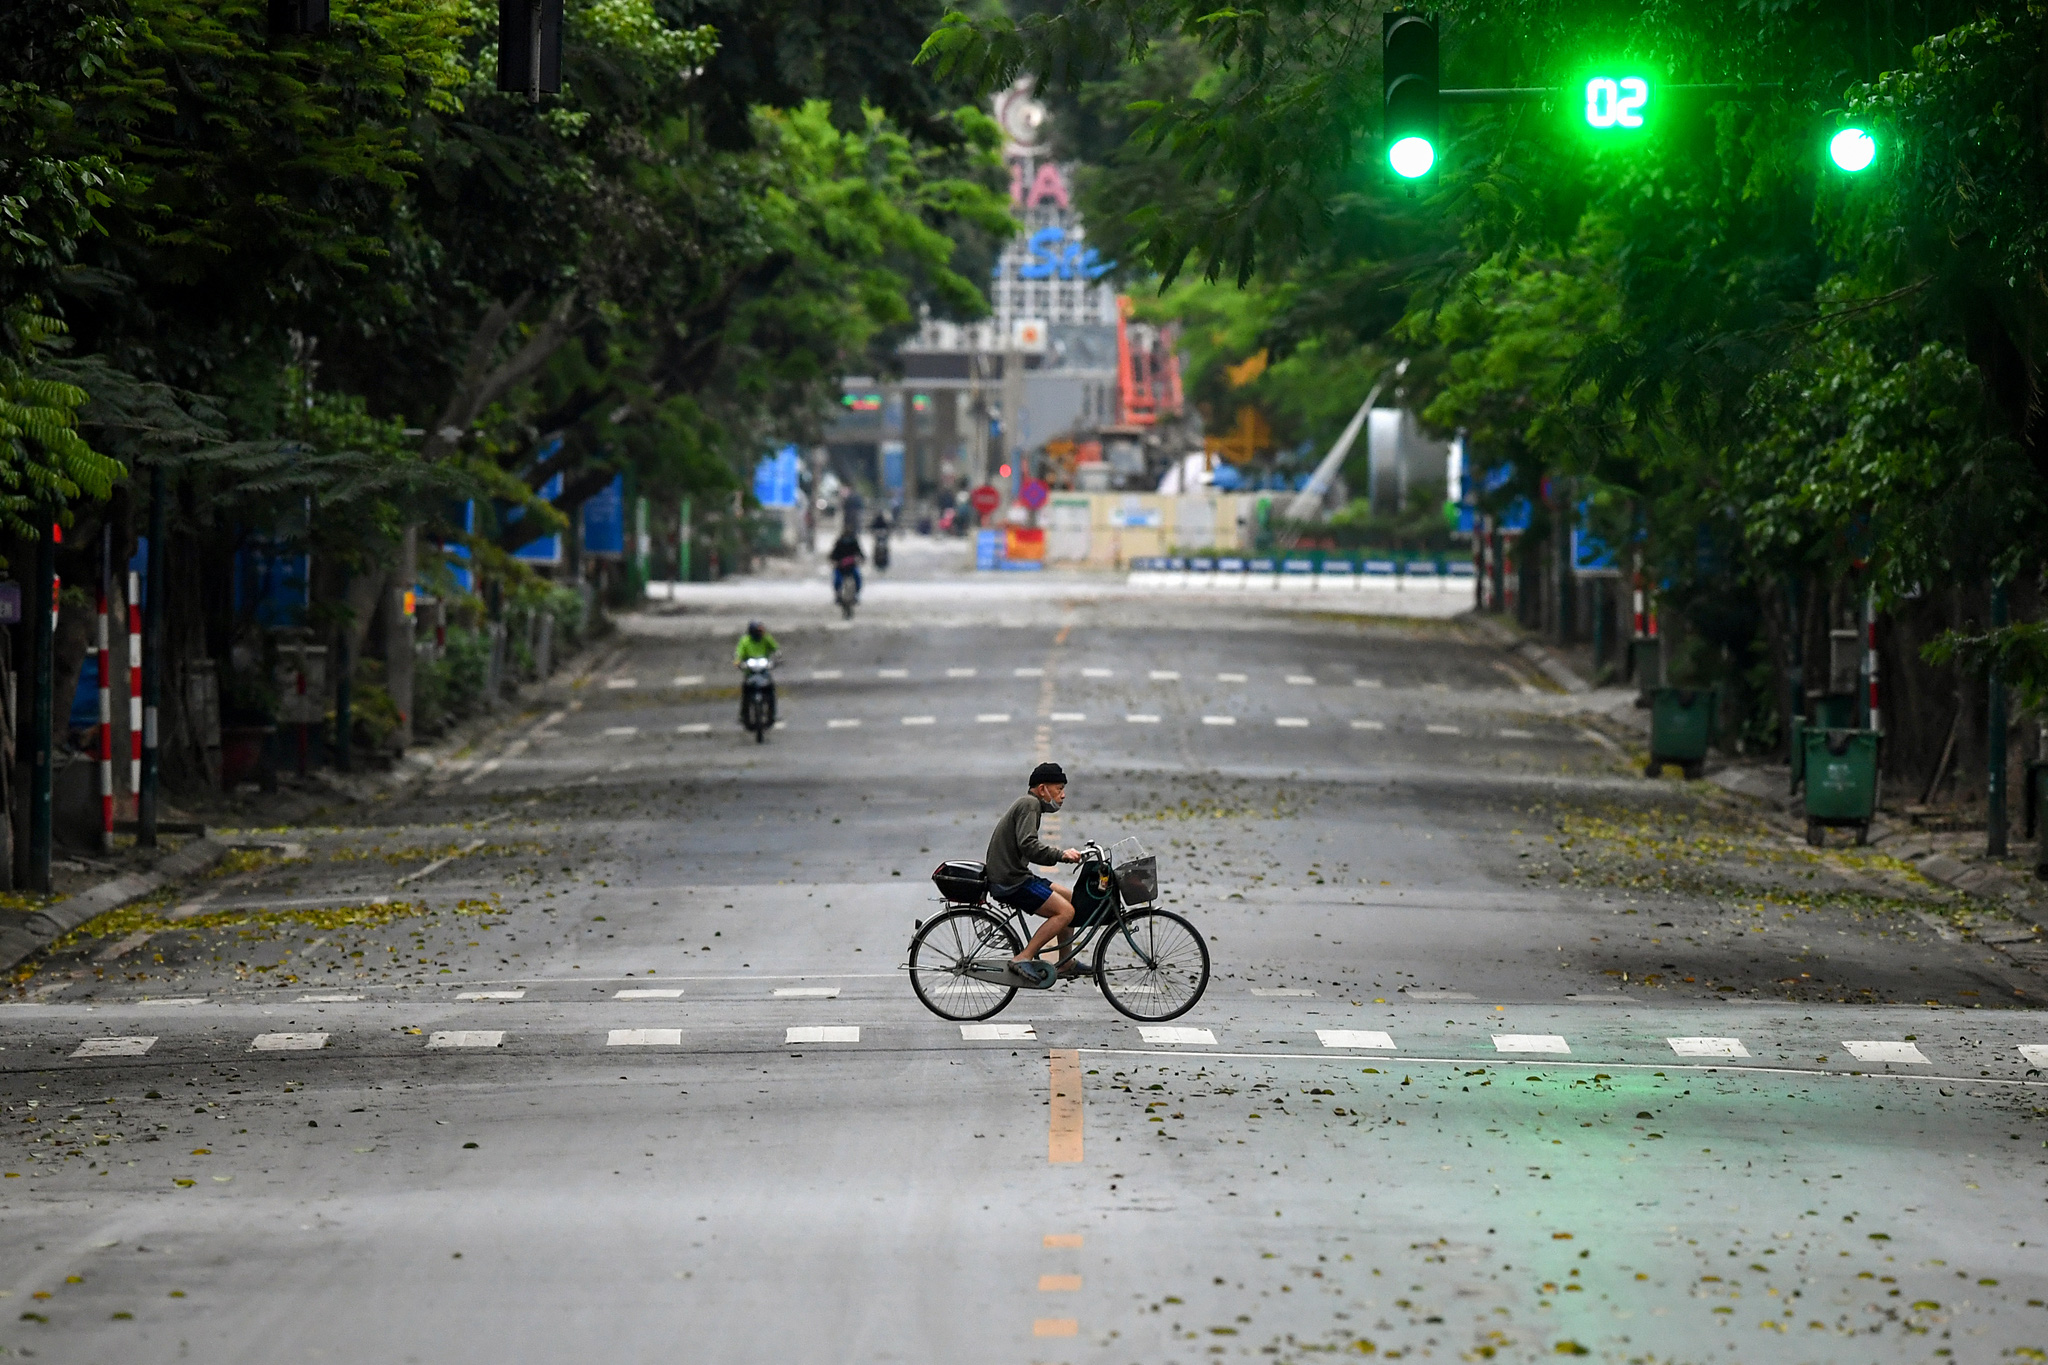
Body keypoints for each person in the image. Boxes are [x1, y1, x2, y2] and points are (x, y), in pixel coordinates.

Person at [985, 761, 1085, 987]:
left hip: (1018, 874)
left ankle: (1065, 963)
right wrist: (1061, 855)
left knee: (1071, 899)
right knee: (1065, 912)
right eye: (1059, 789)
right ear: (1042, 789)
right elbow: (1029, 845)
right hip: (1010, 881)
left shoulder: (1030, 804)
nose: (1063, 795)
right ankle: (1023, 957)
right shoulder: (1030, 804)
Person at [733, 620, 778, 722]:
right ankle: (743, 713)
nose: (761, 633)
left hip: (763, 670)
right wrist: (738, 661)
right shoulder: (745, 641)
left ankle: (772, 712)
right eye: (758, 631)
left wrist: (777, 657)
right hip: (750, 671)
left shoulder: (766, 638)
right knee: (745, 690)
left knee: (771, 689)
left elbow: (775, 648)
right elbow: (739, 652)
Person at [828, 525, 864, 600]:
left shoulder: (853, 542)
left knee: (857, 578)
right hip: (841, 567)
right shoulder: (839, 543)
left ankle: (855, 594)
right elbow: (833, 553)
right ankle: (838, 594)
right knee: (838, 580)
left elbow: (859, 552)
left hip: (850, 566)